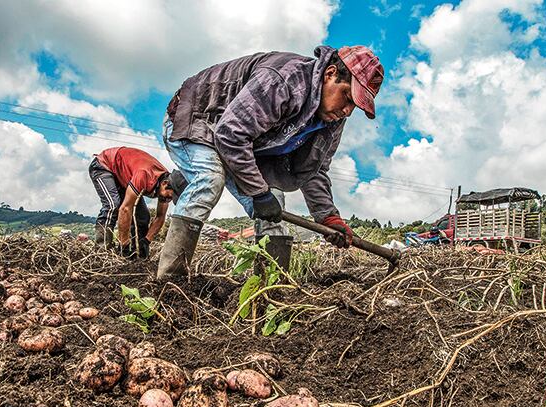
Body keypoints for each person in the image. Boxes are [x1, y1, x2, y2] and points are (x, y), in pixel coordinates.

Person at [157, 45, 384, 278]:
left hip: (243, 142)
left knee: (274, 201)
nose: (347, 110)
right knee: (210, 179)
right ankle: (170, 282)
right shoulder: (283, 81)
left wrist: (328, 217)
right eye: (347, 96)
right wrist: (257, 192)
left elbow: (314, 169)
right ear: (330, 74)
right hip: (199, 118)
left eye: (354, 106)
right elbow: (230, 134)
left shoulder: (332, 119)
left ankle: (271, 289)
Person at [89, 146, 179, 258]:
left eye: (170, 199)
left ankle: (137, 253)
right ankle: (102, 252)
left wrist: (146, 240)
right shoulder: (144, 175)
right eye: (168, 197)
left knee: (143, 217)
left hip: (125, 178)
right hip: (105, 166)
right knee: (113, 205)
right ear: (165, 184)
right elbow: (125, 209)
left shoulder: (167, 187)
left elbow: (160, 217)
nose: (167, 200)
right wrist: (124, 243)